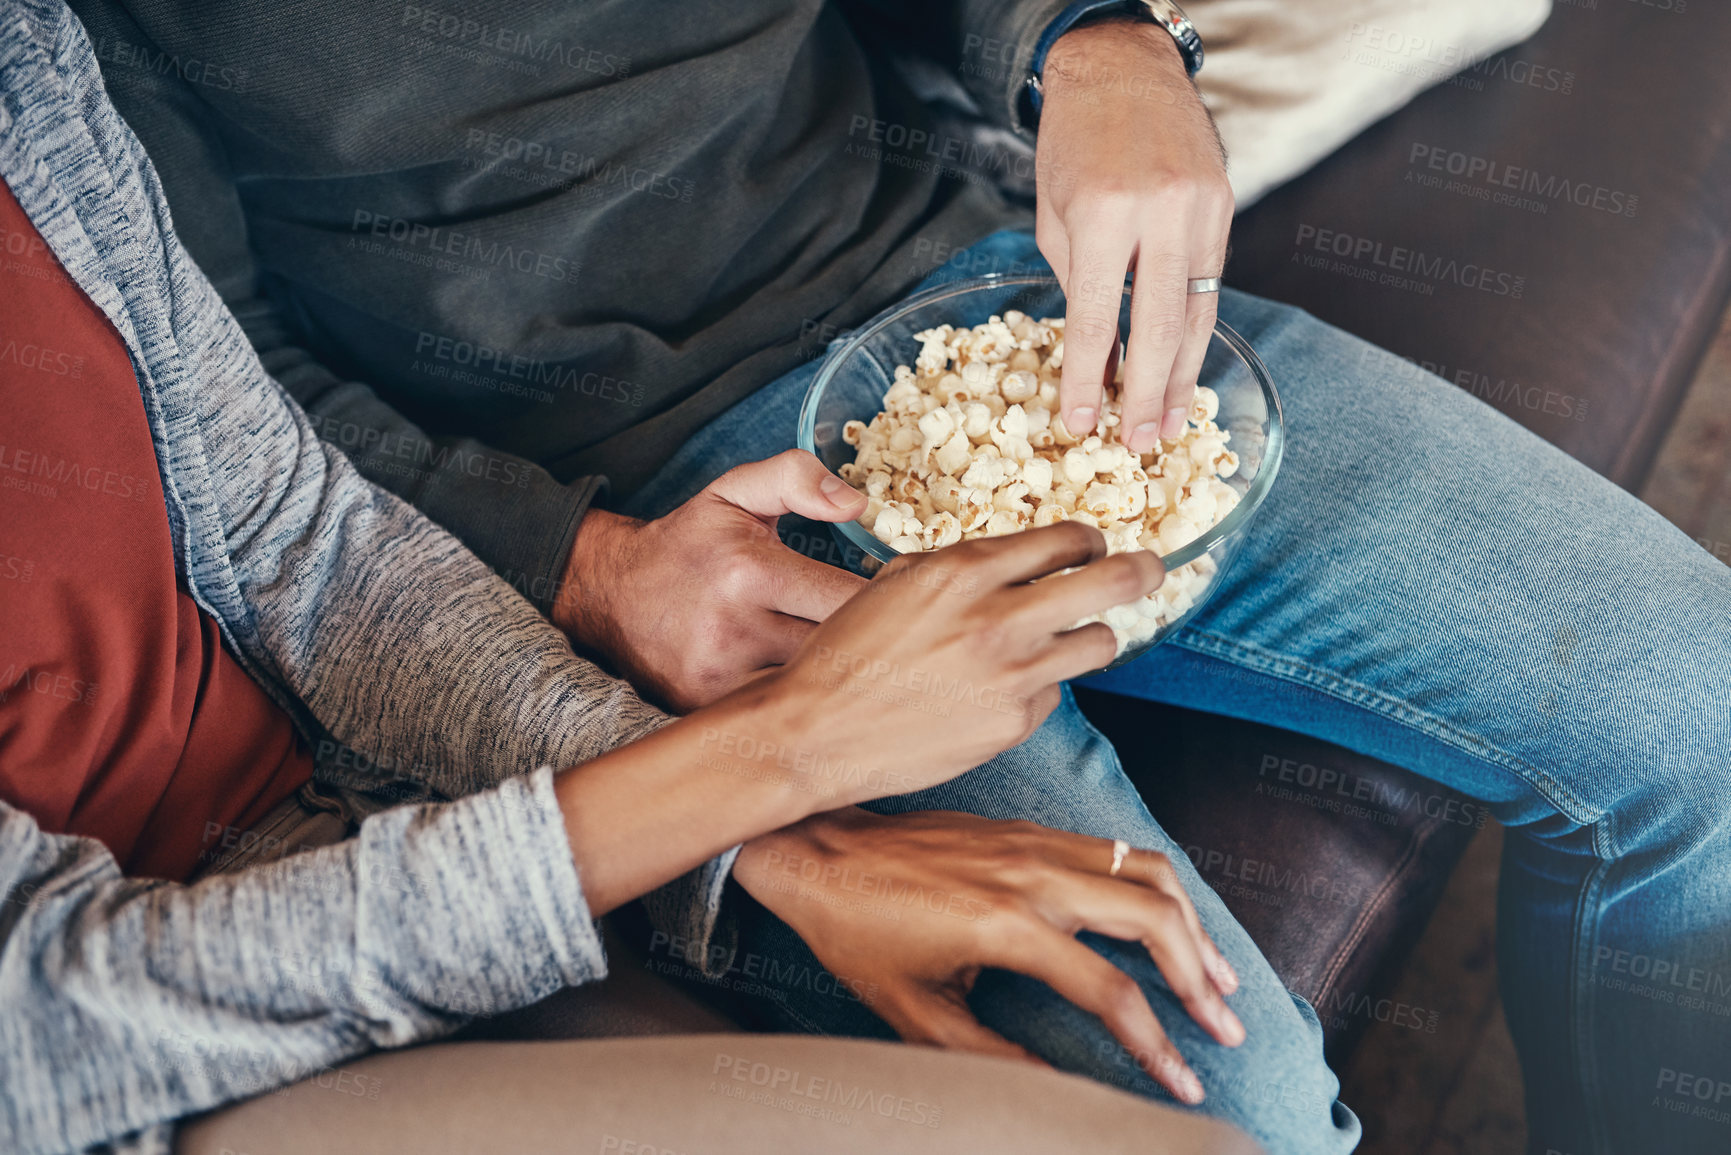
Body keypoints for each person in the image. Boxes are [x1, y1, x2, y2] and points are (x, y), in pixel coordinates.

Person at [34, 1, 1731, 1154]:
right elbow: (230, 420)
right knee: (1226, 1110)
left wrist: (1100, 36)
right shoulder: (64, 55)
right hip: (630, 515)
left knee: (1698, 715)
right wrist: (590, 566)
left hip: (956, 296)